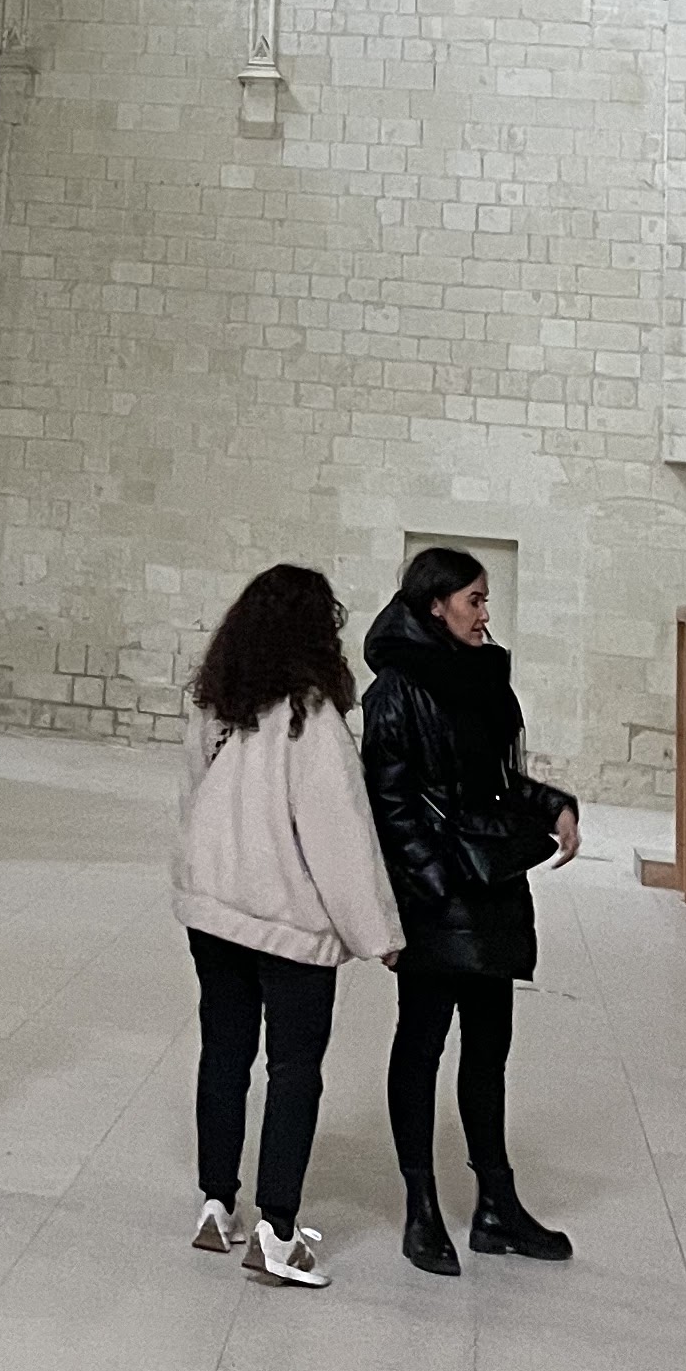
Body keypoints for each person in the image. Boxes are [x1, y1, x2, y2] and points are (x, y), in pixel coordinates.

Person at [173, 563, 403, 1290]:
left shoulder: (217, 703)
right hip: (290, 922)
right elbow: (340, 836)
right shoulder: (312, 717)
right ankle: (277, 1232)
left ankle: (216, 1205)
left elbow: (192, 801)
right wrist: (379, 935)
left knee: (223, 1053)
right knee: (294, 1070)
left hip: (214, 910)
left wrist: (196, 880)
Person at [360, 545, 580, 1274]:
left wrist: (553, 806)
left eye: (486, 600)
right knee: (421, 1046)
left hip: (490, 889)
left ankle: (497, 1206)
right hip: (436, 899)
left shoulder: (485, 678)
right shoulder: (395, 690)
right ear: (435, 605)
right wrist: (436, 886)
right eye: (474, 600)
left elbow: (496, 783)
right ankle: (420, 1208)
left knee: (489, 1049)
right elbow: (390, 806)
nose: (485, 614)